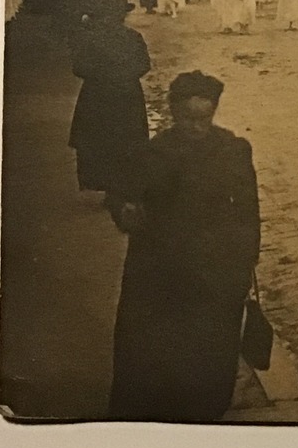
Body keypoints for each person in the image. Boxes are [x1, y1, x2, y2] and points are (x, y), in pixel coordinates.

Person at [107, 71, 260, 422]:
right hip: (159, 272)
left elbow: (249, 212)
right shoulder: (152, 153)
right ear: (174, 113)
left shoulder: (232, 151)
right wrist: (126, 211)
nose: (196, 127)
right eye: (188, 119)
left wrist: (244, 264)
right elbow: (121, 196)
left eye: (203, 119)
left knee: (210, 353)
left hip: (213, 272)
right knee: (154, 352)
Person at [68, 0, 150, 201]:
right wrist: (124, 76)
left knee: (99, 139)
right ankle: (123, 185)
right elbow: (144, 65)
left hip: (97, 95)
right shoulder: (133, 37)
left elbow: (79, 68)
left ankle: (104, 183)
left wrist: (101, 76)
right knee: (127, 139)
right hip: (126, 94)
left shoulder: (91, 38)